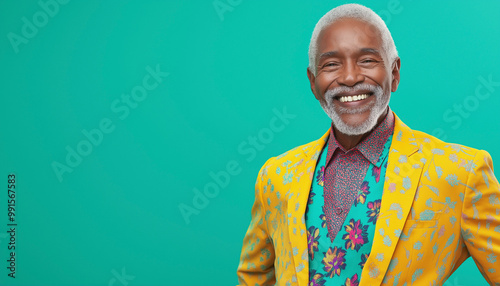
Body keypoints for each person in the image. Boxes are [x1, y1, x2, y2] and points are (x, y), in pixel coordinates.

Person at [236, 3, 500, 286]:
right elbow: (253, 277)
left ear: (394, 73)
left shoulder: (460, 173)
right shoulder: (276, 176)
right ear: (313, 83)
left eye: (367, 60)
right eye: (331, 64)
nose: (350, 78)